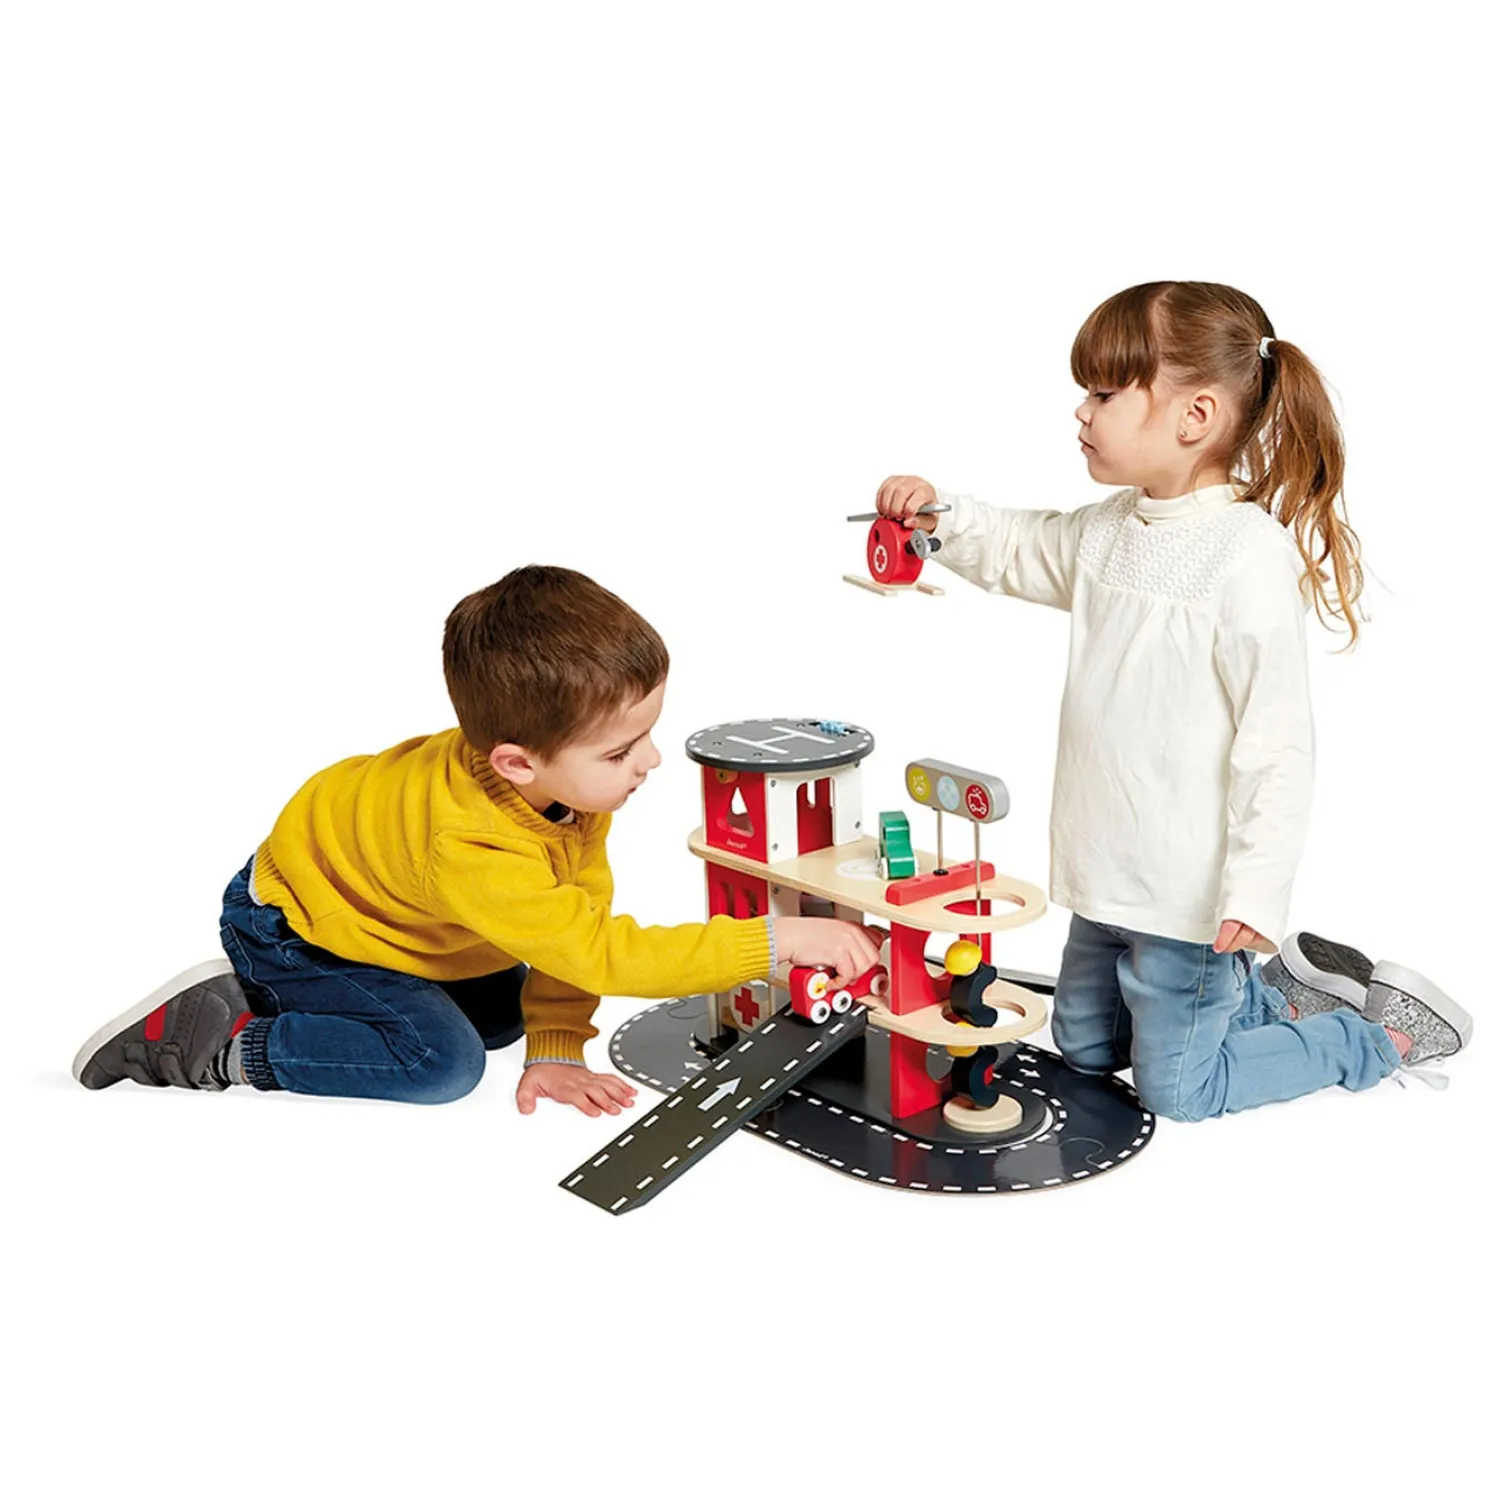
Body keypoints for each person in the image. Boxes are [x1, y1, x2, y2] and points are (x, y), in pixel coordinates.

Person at [873, 280, 1471, 1120]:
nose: (1082, 411)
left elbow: (1278, 744)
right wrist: (938, 520)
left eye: (1105, 394)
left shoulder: (1245, 558)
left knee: (1181, 1091)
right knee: (1085, 1050)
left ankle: (1369, 1039)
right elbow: (1021, 546)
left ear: (1195, 416)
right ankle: (1264, 1000)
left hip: (1185, 902)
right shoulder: (1110, 530)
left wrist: (1254, 894)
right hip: (1103, 879)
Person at [73, 566, 881, 1114]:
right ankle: (221, 1036)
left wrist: (555, 1045)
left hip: (386, 908)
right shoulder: (471, 843)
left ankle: (313, 1000)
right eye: (620, 752)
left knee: (502, 1022)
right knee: (441, 1065)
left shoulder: (562, 786)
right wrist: (773, 942)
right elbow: (604, 953)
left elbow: (576, 918)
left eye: (645, 735)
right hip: (295, 926)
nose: (651, 761)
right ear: (517, 763)